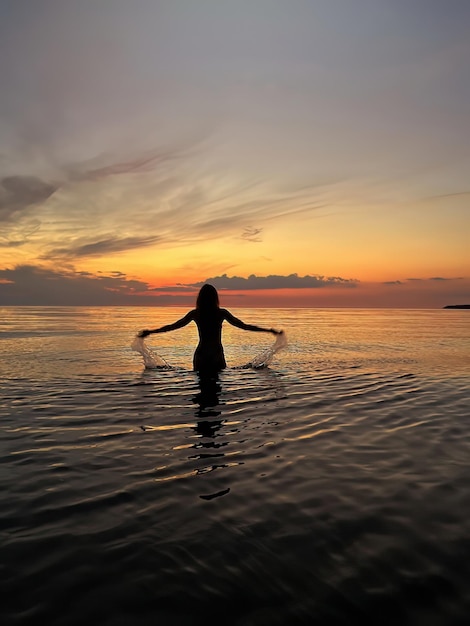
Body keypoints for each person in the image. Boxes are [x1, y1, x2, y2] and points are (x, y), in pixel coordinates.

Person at [138, 283, 282, 373]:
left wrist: (150, 332)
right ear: (215, 298)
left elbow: (172, 327)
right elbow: (243, 326)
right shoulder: (221, 313)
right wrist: (268, 330)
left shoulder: (196, 313)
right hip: (216, 355)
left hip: (201, 355)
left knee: (201, 390)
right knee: (216, 392)